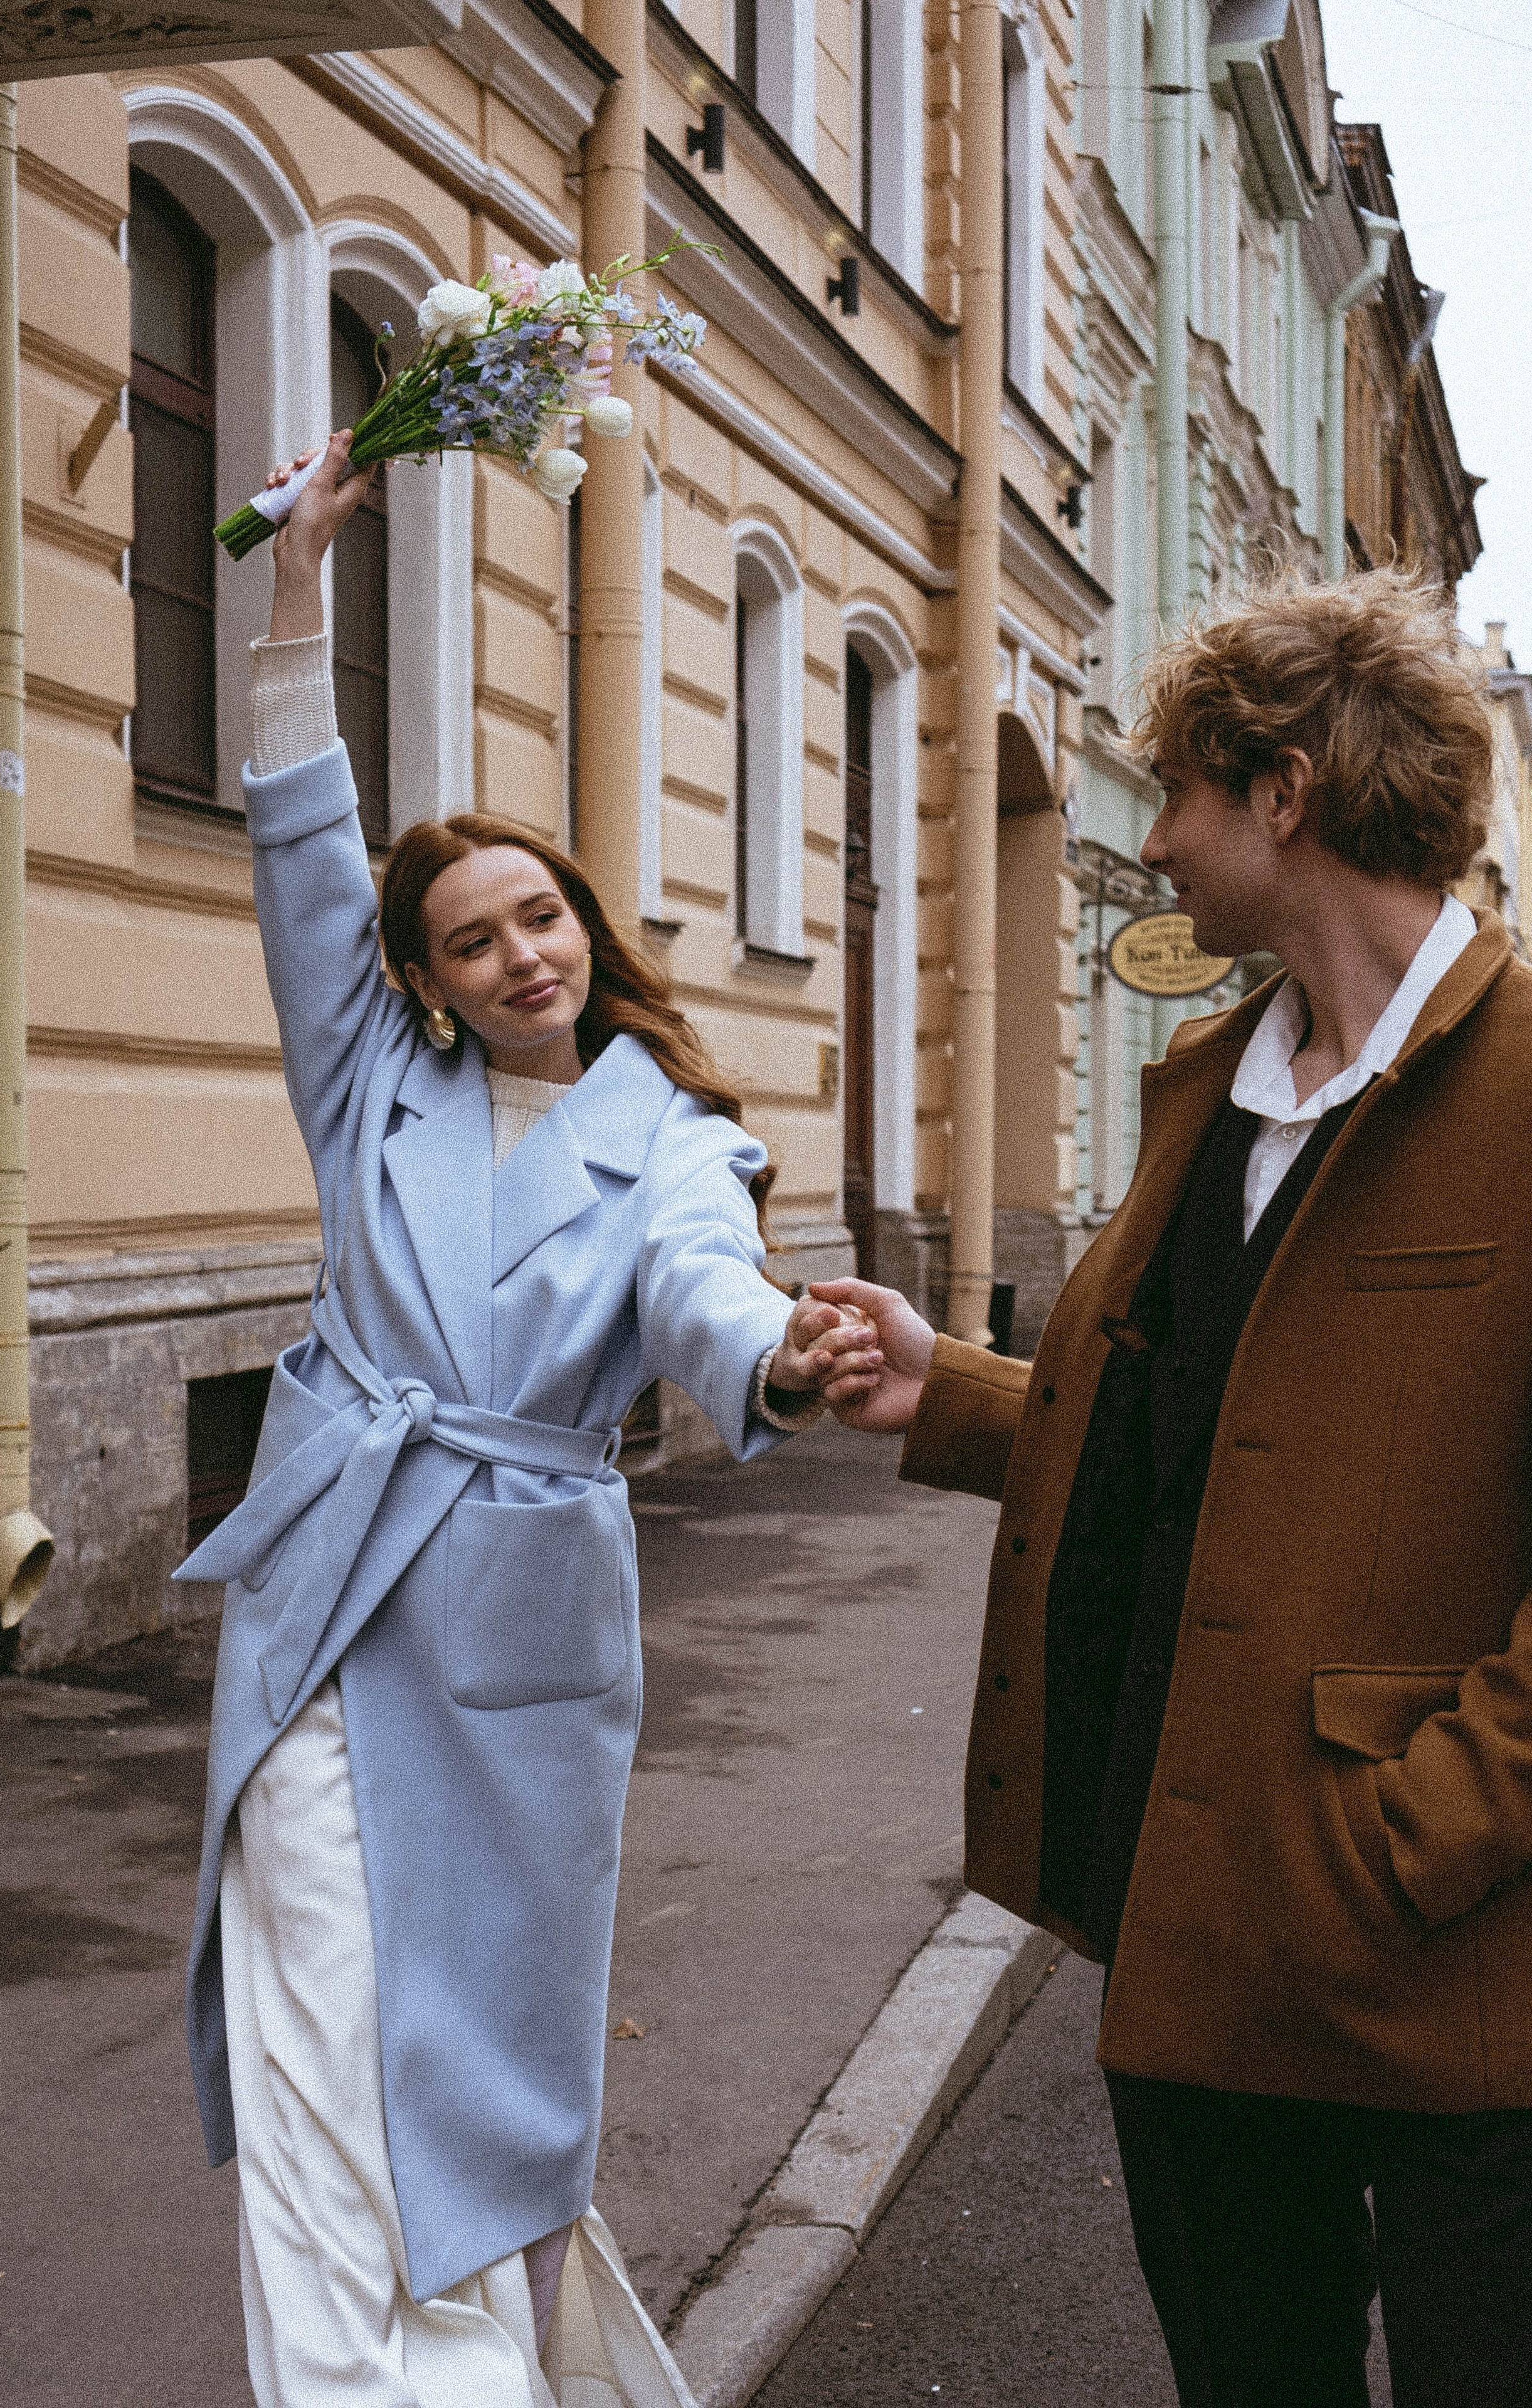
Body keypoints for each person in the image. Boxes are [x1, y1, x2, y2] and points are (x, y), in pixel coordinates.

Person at [177, 430, 881, 2408]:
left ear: (586, 924)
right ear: (421, 979)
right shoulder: (368, 1093)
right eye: (473, 938)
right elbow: (305, 847)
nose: (520, 954)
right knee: (321, 2018)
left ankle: (517, 2369)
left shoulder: (668, 1131)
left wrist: (775, 1357)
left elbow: (697, 1282)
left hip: (517, 1635)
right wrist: (299, 585)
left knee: (484, 2060)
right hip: (327, 1601)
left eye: (542, 916)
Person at [813, 569, 1532, 2408]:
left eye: (1176, 796)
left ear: (1282, 791)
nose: (1153, 844)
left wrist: (1430, 1828)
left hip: (1450, 1972)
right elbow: (1197, 1421)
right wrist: (947, 1393)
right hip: (1188, 1932)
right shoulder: (1213, 1083)